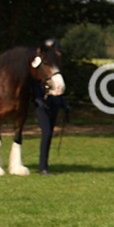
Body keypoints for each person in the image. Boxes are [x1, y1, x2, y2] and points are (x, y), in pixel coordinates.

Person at [31, 38, 68, 175]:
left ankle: (44, 164)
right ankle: (42, 166)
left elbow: (58, 85)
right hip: (42, 101)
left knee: (49, 133)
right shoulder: (39, 62)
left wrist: (64, 102)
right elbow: (34, 81)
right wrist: (38, 98)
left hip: (54, 100)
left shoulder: (55, 64)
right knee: (46, 132)